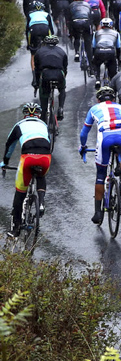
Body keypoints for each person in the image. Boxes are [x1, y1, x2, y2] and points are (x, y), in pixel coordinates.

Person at [79, 87, 121, 225]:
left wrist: (83, 146)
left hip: (105, 136)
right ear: (114, 99)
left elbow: (83, 133)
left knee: (101, 176)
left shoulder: (94, 109)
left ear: (98, 100)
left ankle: (97, 213)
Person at [2, 102, 52, 235]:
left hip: (28, 157)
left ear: (25, 115)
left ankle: (16, 228)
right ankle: (41, 202)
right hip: (45, 156)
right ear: (39, 115)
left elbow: (9, 146)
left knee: (20, 192)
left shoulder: (19, 125)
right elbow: (49, 142)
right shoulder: (44, 125)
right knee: (41, 176)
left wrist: (5, 162)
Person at [31, 34, 68, 123]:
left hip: (46, 75)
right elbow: (65, 68)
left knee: (43, 93)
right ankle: (61, 108)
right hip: (59, 74)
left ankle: (43, 115)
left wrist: (36, 83)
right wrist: (62, 80)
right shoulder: (62, 51)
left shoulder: (39, 51)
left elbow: (36, 70)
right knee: (62, 89)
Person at [92, 17, 121, 88]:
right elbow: (118, 47)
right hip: (110, 52)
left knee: (96, 63)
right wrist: (118, 59)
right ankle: (112, 81)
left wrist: (93, 57)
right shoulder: (116, 33)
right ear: (111, 25)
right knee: (112, 66)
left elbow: (93, 46)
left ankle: (98, 79)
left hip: (99, 51)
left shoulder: (96, 33)